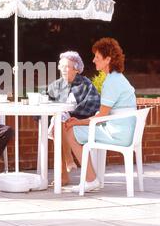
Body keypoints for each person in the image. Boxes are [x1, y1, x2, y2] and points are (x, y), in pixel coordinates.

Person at [64, 37, 137, 192]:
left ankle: (91, 180)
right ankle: (91, 179)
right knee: (75, 128)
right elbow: (104, 114)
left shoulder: (111, 81)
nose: (93, 60)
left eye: (97, 57)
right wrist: (80, 121)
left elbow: (101, 117)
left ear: (108, 59)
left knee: (70, 132)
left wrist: (77, 122)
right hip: (122, 130)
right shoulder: (118, 78)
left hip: (118, 133)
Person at [47, 51, 100, 186]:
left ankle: (64, 173)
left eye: (67, 67)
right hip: (60, 123)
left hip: (81, 123)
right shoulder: (56, 85)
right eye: (61, 66)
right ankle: (68, 163)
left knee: (62, 123)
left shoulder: (85, 84)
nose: (63, 69)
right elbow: (45, 102)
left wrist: (73, 116)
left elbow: (93, 105)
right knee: (59, 121)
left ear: (76, 69)